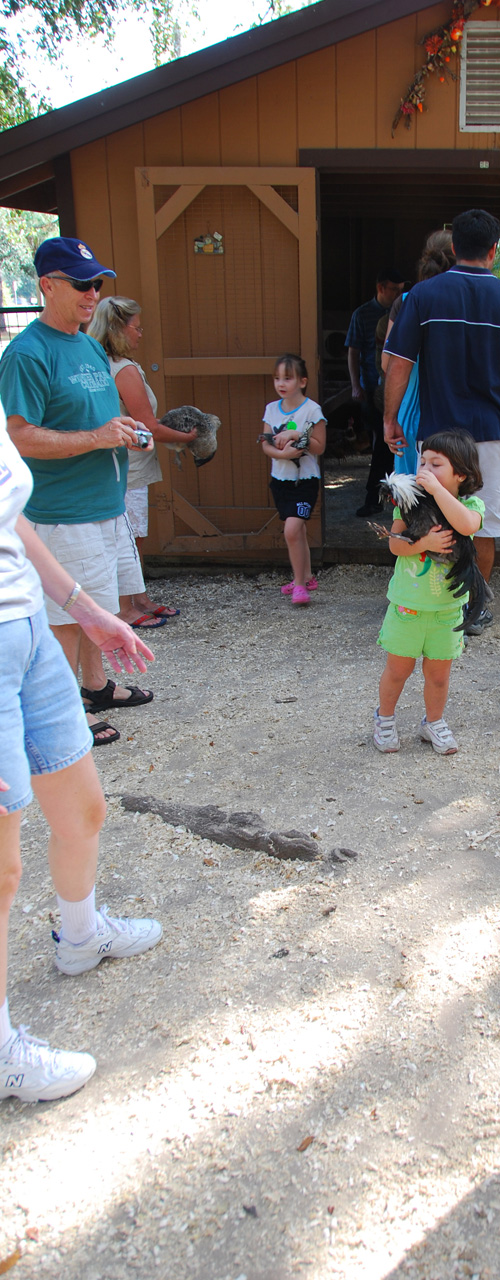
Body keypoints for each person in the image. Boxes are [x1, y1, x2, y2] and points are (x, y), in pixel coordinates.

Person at [0, 405, 162, 1102]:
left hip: (27, 623)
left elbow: (12, 520)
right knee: (2, 867)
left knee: (83, 810)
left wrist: (86, 609)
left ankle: (79, 935)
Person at [0, 237, 155, 748]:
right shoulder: (27, 353)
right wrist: (96, 438)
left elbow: (95, 417)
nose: (93, 294)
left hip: (104, 506)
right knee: (67, 616)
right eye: (80, 283)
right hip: (62, 513)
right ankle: (66, 711)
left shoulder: (87, 344)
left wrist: (121, 427)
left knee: (99, 606)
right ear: (47, 285)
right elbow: (19, 435)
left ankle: (96, 687)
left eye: (96, 283)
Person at [384, 209, 500, 637]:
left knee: (428, 517)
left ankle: (436, 600)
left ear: (454, 248)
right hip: (490, 433)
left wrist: (390, 418)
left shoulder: (423, 296)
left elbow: (398, 365)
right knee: (483, 524)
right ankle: (474, 606)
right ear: (495, 250)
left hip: (437, 434)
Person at [373, 432, 484, 757]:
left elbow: (466, 526)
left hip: (447, 610)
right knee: (398, 670)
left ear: (461, 474)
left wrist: (437, 490)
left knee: (438, 676)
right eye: (423, 461)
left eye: (436, 464)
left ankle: (433, 722)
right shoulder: (408, 506)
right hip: (408, 608)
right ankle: (385, 719)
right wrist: (422, 544)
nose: (425, 468)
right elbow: (395, 545)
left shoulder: (470, 505)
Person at [89, 295, 196, 628]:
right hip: (129, 465)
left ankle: (140, 598)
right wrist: (188, 438)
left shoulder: (98, 363)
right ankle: (126, 608)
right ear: (119, 329)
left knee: (130, 534)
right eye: (137, 327)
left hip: (118, 462)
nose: (140, 333)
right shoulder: (124, 370)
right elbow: (147, 425)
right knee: (128, 536)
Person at [380, 230, 456, 475]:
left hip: (410, 411)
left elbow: (387, 363)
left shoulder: (406, 300)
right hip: (453, 410)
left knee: (409, 494)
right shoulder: (464, 301)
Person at [259, 353, 326, 606]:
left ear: (303, 381)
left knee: (292, 530)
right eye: (277, 378)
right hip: (280, 479)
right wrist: (282, 453)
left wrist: (297, 434)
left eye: (287, 378)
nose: (281, 383)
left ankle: (299, 586)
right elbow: (265, 444)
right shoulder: (271, 409)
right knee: (297, 530)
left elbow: (319, 446)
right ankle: (307, 576)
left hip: (304, 481)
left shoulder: (312, 410)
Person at [348, 267, 404, 517]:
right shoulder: (364, 315)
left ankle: (388, 496)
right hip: (375, 388)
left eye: (401, 290)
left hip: (397, 391)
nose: (398, 294)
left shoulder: (404, 309)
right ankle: (376, 496)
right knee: (381, 444)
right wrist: (356, 385)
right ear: (381, 287)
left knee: (388, 446)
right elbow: (355, 352)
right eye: (394, 289)